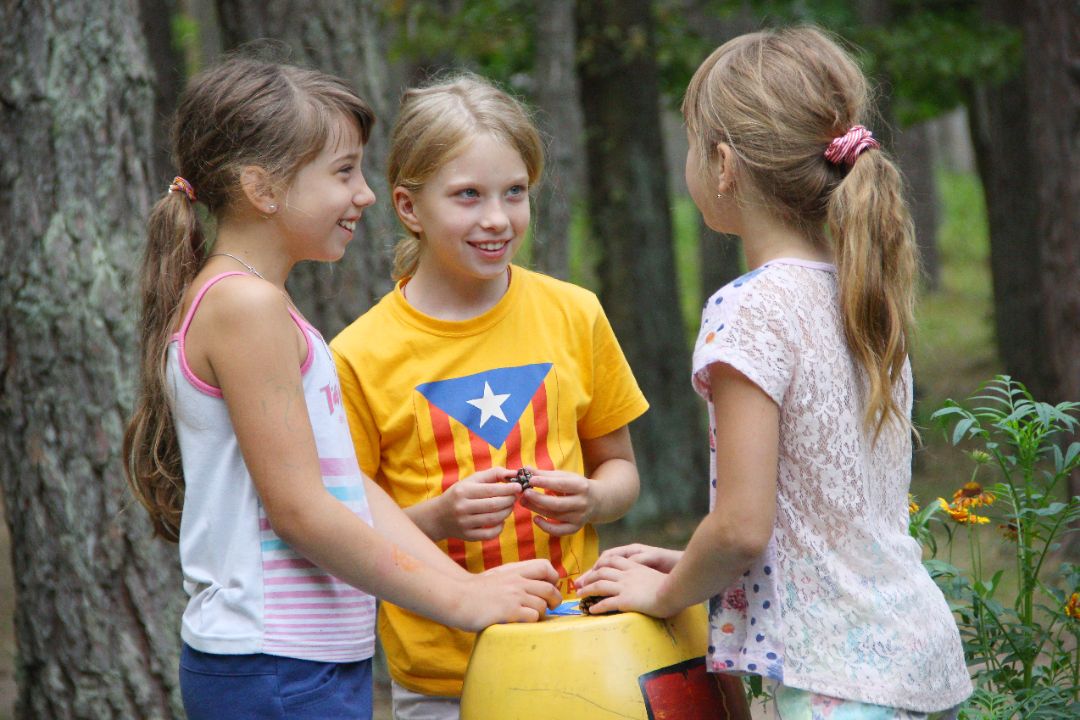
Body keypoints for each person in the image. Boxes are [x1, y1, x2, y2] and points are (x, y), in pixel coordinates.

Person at [122, 57, 561, 720]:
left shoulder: (260, 304)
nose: (365, 194)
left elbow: (345, 490)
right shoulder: (245, 308)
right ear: (262, 188)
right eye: (344, 172)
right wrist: (462, 601)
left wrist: (471, 587)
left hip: (303, 663)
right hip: (274, 668)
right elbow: (302, 512)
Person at [576, 27, 973, 718]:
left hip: (840, 683)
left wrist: (664, 596)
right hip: (919, 657)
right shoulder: (861, 292)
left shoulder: (750, 310)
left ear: (723, 165)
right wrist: (692, 565)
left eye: (693, 145)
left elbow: (740, 527)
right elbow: (816, 518)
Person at [330, 74, 649, 718]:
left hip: (577, 650)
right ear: (409, 207)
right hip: (444, 680)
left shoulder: (574, 314)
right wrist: (439, 518)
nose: (497, 218)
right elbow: (348, 529)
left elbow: (620, 471)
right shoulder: (358, 356)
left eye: (515, 192)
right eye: (467, 195)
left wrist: (592, 500)